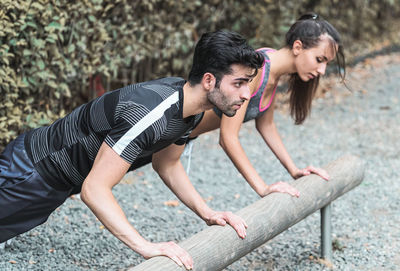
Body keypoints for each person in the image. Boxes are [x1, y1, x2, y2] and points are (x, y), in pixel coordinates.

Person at [0, 30, 264, 270]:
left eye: (248, 84)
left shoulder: (189, 108)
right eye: (239, 83)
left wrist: (208, 213)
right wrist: (146, 246)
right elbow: (94, 190)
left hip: (55, 184)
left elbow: (167, 164)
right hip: (30, 172)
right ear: (209, 80)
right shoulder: (150, 113)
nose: (246, 94)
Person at [187, 13, 346, 197]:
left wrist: (295, 171)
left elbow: (266, 125)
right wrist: (263, 188)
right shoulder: (257, 71)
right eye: (320, 59)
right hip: (169, 131)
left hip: (181, 137)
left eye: (326, 63)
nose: (322, 70)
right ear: (297, 47)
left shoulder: (273, 71)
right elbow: (228, 138)